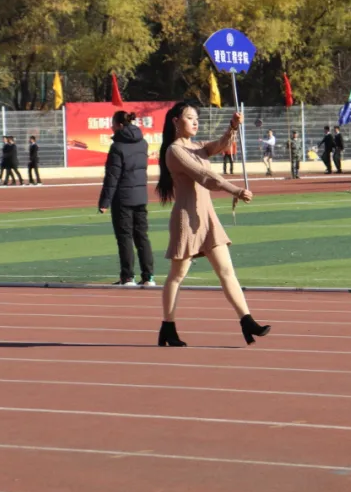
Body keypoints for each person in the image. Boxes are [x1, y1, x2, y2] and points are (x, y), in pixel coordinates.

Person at [156, 103, 270, 347]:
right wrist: (235, 190)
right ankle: (168, 326)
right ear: (176, 121)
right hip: (187, 221)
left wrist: (233, 127)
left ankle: (247, 320)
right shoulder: (175, 151)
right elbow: (206, 177)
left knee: (227, 271)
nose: (195, 122)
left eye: (196, 118)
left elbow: (219, 145)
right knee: (177, 275)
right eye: (189, 118)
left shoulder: (197, 146)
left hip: (208, 219)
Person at [98, 112, 155, 287]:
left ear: (120, 125)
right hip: (141, 196)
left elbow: (112, 177)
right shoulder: (143, 143)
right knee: (142, 237)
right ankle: (148, 277)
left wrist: (104, 202)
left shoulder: (117, 147)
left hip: (123, 198)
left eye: (113, 124)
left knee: (125, 238)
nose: (111, 127)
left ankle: (128, 277)